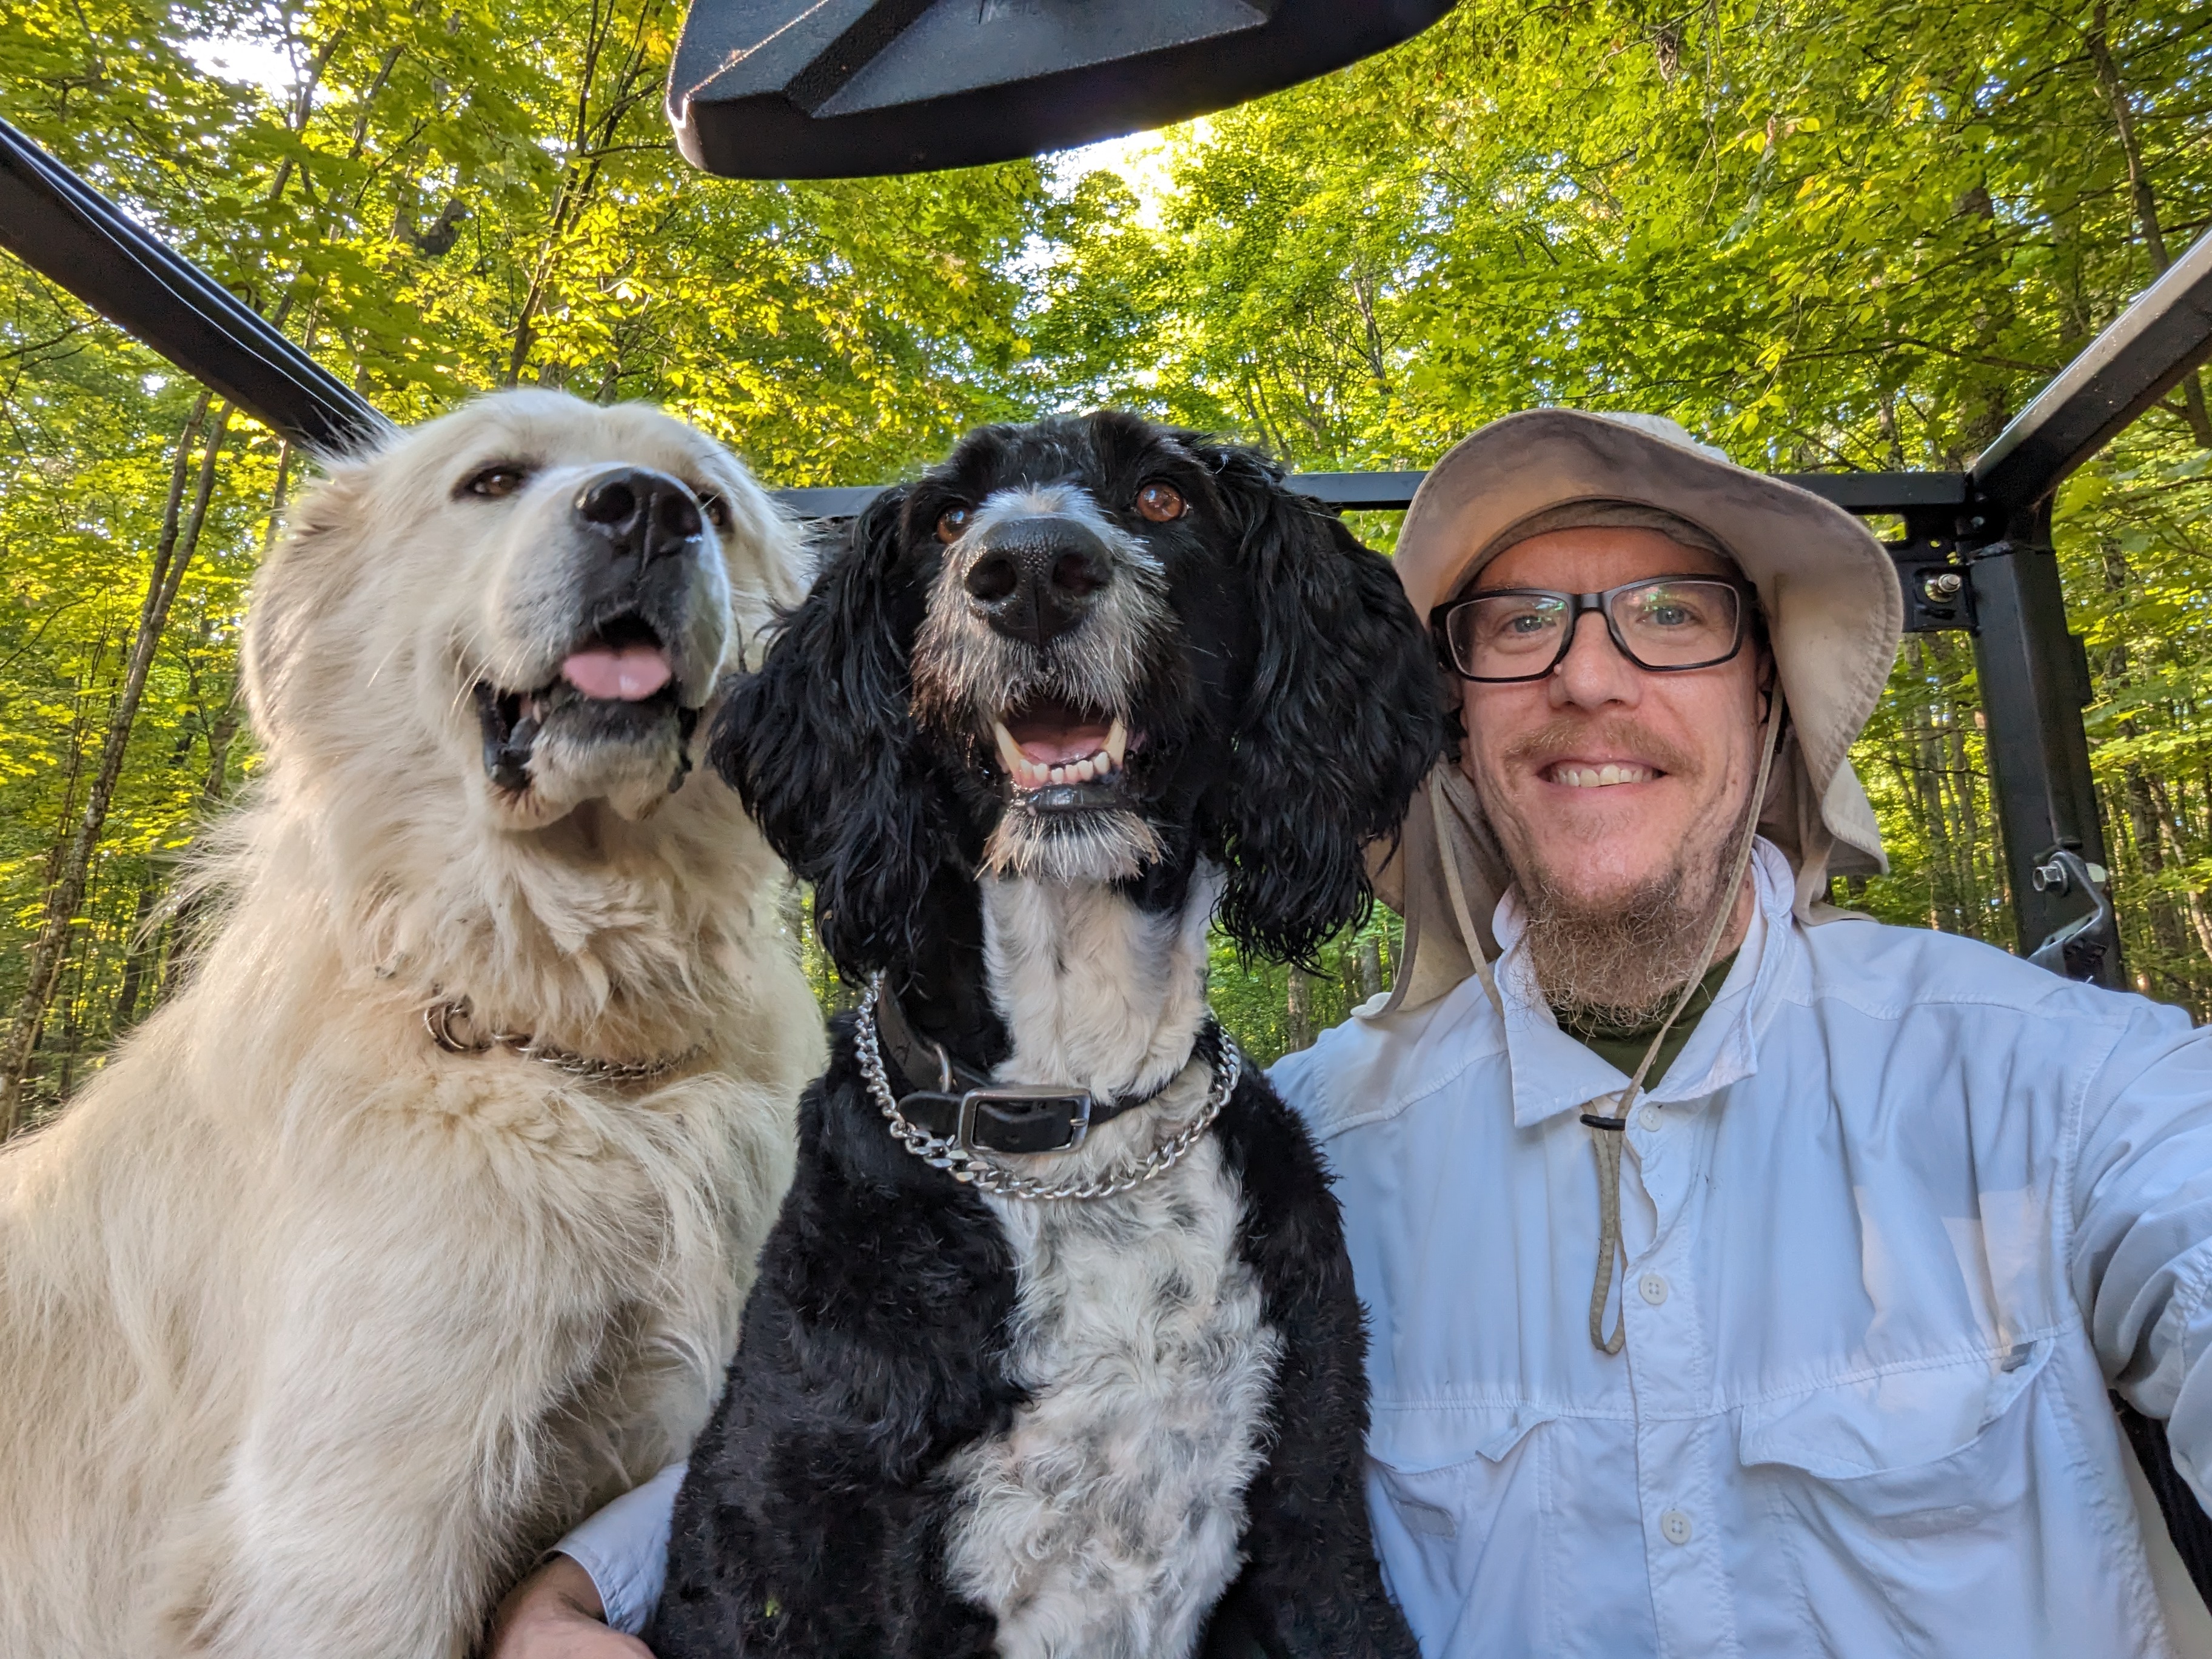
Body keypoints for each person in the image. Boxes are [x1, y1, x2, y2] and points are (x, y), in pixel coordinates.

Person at [491, 409, 2212, 1658]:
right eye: (1518, 624)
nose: (1593, 680)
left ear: (1768, 699)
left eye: (1674, 617)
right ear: (1451, 721)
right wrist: (581, 1594)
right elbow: (893, 1414)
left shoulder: (2067, 1086)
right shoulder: (1291, 1156)